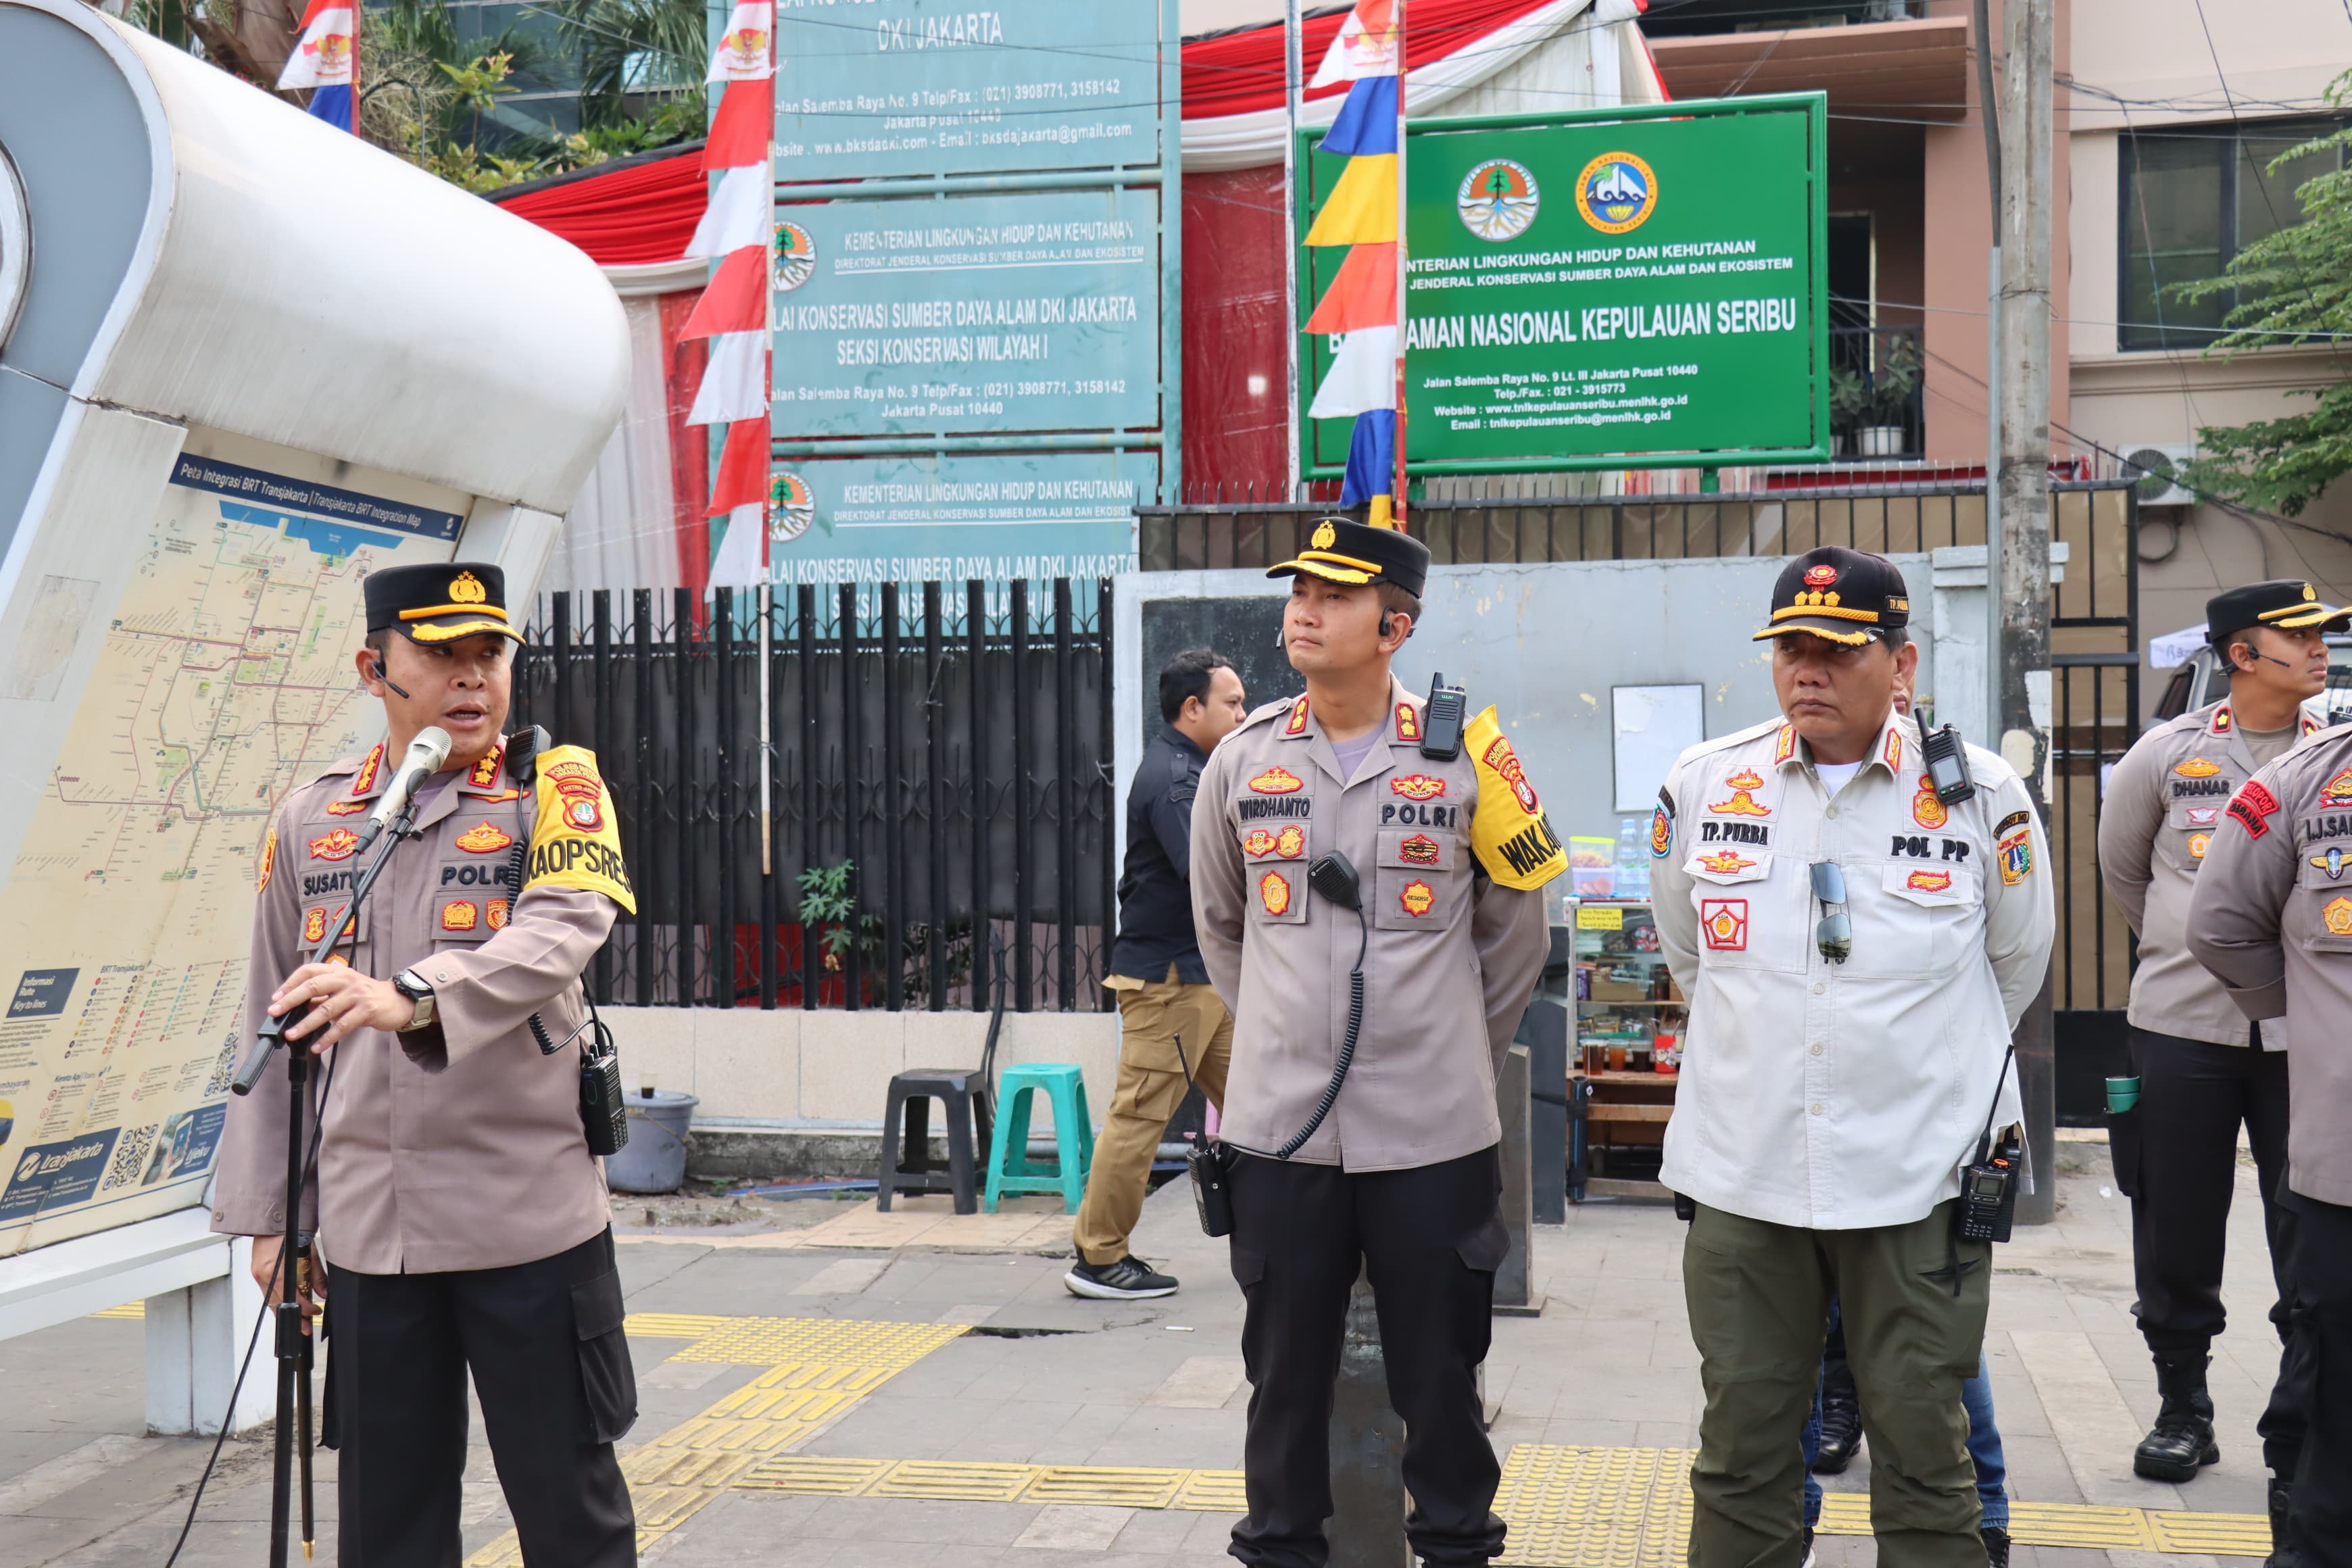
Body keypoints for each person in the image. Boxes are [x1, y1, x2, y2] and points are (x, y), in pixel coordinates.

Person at [214, 562, 640, 1567]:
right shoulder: (315, 819)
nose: (473, 677)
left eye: (489, 652)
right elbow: (269, 1026)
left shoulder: (556, 788)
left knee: (570, 1513)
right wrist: (273, 1217)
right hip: (371, 1236)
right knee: (386, 1522)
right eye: (442, 654)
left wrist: (412, 996)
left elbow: (558, 936)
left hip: (528, 1224)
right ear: (375, 666)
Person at [1650, 545, 2055, 1568]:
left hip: (1916, 1182)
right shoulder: (1706, 784)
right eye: (1790, 647)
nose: (1808, 670)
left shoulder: (1980, 797)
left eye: (1837, 649)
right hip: (1746, 1177)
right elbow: (1693, 962)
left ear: (1902, 663)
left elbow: (2014, 966)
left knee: (1925, 1449)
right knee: (1741, 1450)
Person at [1192, 516, 1564, 1568]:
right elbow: (1225, 931)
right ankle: (1279, 1550)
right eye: (1298, 591)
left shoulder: (1471, 758)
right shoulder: (1242, 758)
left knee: (1441, 1386)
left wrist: (1443, 1050)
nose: (1303, 610)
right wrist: (1284, 1032)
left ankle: (1455, 1548)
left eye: (1336, 595)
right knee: (1283, 1386)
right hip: (1281, 1134)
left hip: (1433, 1137)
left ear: (1396, 624)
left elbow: (1514, 936)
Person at [2094, 580, 2336, 1519]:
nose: (2319, 650)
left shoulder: (2337, 758)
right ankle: (2181, 1406)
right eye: (2300, 635)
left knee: (2310, 1229)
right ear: (2241, 655)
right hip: (2181, 1025)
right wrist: (2183, 953)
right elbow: (2126, 875)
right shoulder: (2167, 757)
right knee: (2175, 1221)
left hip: (2304, 1039)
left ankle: (2306, 1417)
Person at [2189, 722, 2352, 1568]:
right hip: (2342, 1181)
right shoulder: (2297, 783)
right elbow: (2218, 924)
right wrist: (2311, 1025)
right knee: (2333, 1442)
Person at [1067, 647, 1250, 1300]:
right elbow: (1209, 877)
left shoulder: (1196, 769)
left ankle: (1288, 1231)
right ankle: (1098, 1257)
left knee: (1267, 1107)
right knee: (1139, 1120)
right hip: (1170, 985)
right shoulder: (1177, 779)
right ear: (1191, 708)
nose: (1244, 712)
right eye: (1232, 703)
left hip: (1202, 981)